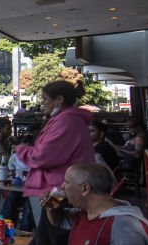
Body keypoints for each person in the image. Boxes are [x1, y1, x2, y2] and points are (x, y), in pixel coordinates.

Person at [14, 80, 95, 219]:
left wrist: (21, 150)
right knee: (47, 232)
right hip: (60, 189)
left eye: (45, 98)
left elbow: (43, 156)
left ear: (59, 99)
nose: (43, 103)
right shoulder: (66, 120)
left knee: (53, 230)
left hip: (60, 191)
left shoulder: (67, 122)